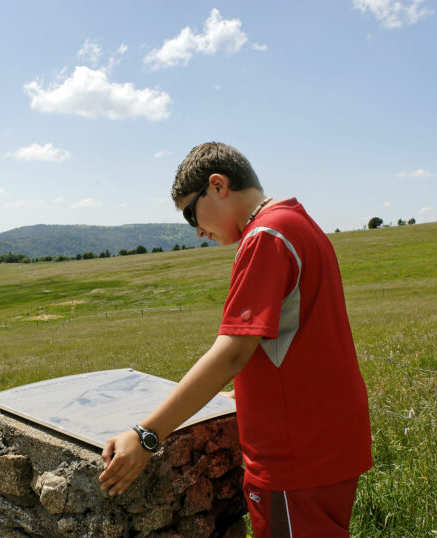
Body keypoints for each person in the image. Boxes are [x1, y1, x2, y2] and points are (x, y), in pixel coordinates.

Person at [98, 142, 372, 537]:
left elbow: (231, 353)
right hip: (328, 441)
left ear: (218, 185)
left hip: (294, 456)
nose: (197, 229)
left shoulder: (265, 236)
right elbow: (299, 335)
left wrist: (146, 436)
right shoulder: (297, 222)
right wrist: (247, 394)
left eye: (192, 212)